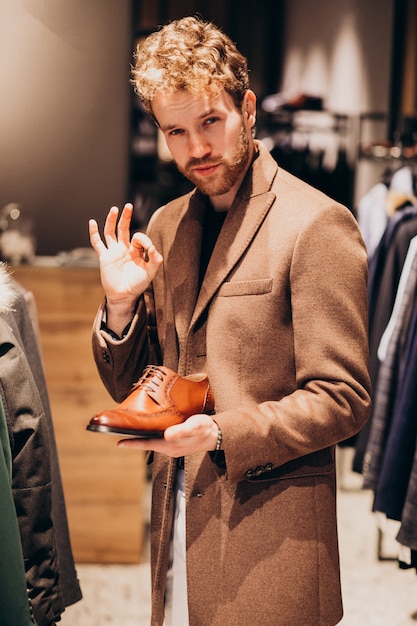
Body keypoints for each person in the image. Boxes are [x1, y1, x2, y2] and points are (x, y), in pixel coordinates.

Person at [88, 15, 371, 626]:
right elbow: (138, 390)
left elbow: (344, 398)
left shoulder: (316, 224)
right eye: (176, 131)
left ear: (247, 108)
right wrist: (120, 307)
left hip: (274, 543)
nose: (196, 149)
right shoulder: (164, 227)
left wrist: (221, 433)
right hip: (180, 527)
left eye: (210, 121)